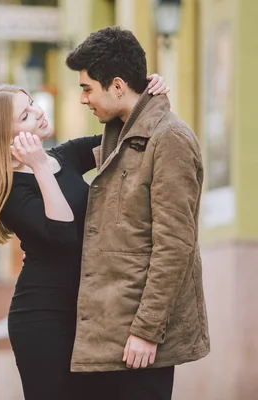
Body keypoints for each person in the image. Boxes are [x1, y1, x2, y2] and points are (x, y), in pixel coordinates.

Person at [0, 73, 168, 397]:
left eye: (32, 104)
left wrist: (144, 94)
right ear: (4, 138)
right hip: (44, 319)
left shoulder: (65, 156)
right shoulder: (10, 192)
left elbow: (123, 138)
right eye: (25, 114)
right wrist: (40, 168)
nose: (39, 111)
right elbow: (62, 235)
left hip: (88, 311)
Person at [65, 26, 210, 400]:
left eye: (86, 88)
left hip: (142, 345)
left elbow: (174, 246)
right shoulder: (119, 134)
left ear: (116, 86)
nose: (83, 99)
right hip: (111, 337)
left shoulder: (170, 139)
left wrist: (147, 331)